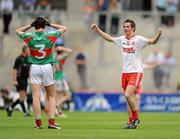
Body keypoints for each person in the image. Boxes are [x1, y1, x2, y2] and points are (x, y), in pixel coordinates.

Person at [91, 19, 162, 129]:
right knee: (128, 99)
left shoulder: (138, 39)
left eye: (128, 27)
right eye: (124, 26)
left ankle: (136, 118)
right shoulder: (122, 39)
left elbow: (152, 41)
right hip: (125, 72)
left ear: (133, 28)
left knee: (128, 94)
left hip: (136, 71)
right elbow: (109, 38)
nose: (125, 28)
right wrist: (98, 30)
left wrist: (158, 34)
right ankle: (131, 122)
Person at [15, 16, 66, 129]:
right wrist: (50, 24)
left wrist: (30, 25)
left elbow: (17, 31)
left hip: (34, 67)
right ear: (44, 25)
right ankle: (51, 123)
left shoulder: (30, 36)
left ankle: (38, 124)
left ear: (35, 25)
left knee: (36, 96)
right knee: (52, 96)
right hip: (47, 67)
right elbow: (64, 28)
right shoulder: (50, 35)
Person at [11, 46, 31, 117]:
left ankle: (10, 108)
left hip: (25, 79)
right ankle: (25, 113)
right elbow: (15, 70)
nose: (30, 51)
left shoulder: (28, 59)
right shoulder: (19, 59)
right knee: (22, 97)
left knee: (22, 97)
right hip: (20, 79)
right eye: (28, 49)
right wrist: (15, 80)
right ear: (24, 50)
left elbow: (29, 70)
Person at [54, 46, 72, 118]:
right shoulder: (60, 57)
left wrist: (57, 49)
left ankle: (59, 112)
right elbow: (70, 51)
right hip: (60, 78)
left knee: (59, 96)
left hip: (55, 78)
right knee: (67, 95)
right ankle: (56, 106)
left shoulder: (54, 56)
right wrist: (63, 48)